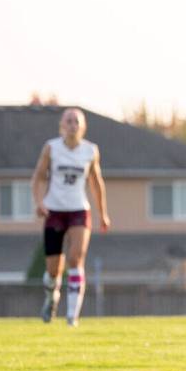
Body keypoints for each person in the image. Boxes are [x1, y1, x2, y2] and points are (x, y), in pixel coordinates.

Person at [31, 107, 110, 326]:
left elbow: (97, 183)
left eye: (76, 121)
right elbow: (37, 177)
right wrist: (39, 203)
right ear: (61, 126)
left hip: (78, 211)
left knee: (76, 259)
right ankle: (51, 298)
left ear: (82, 127)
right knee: (53, 270)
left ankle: (72, 317)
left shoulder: (90, 151)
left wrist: (103, 214)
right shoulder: (51, 148)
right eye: (69, 121)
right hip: (54, 211)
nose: (72, 125)